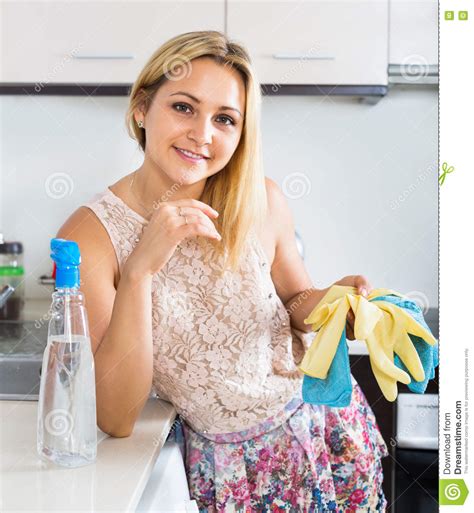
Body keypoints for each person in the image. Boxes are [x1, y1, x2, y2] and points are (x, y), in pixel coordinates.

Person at [57, 30, 389, 512]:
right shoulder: (90, 235)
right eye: (184, 107)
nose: (203, 134)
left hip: (326, 431)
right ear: (141, 108)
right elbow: (117, 415)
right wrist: (140, 272)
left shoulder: (261, 198)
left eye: (225, 119)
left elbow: (296, 302)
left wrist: (335, 302)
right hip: (231, 471)